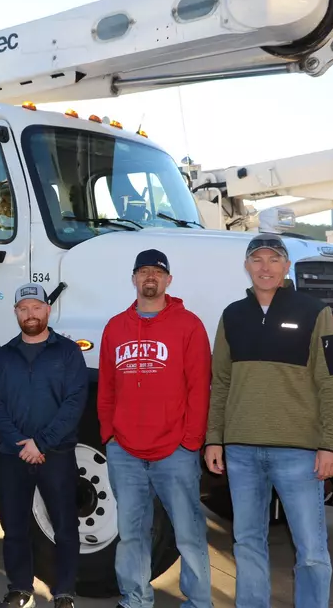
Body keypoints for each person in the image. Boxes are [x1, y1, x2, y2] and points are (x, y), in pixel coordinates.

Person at [204, 234, 333, 608]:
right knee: (247, 542)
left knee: (311, 548)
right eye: (257, 260)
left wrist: (332, 443)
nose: (265, 267)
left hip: (298, 452)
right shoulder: (232, 315)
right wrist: (214, 438)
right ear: (248, 266)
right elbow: (220, 382)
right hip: (241, 452)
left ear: (285, 267)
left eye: (273, 260)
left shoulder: (315, 312)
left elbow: (331, 381)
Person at [97, 249, 213, 608]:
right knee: (131, 533)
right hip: (126, 452)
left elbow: (200, 387)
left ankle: (198, 601)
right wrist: (109, 437)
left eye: (157, 272)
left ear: (168, 280)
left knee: (189, 532)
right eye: (143, 271)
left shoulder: (188, 325)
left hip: (174, 452)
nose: (150, 277)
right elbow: (106, 389)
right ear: (133, 279)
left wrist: (190, 441)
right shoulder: (115, 327)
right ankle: (135, 599)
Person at [0, 283, 88, 608]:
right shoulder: (4, 356)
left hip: (55, 454)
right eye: (23, 308)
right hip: (12, 457)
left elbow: (74, 403)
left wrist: (40, 442)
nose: (30, 314)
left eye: (36, 307)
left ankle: (64, 593)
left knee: (65, 528)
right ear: (16, 313)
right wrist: (20, 444)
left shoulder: (68, 352)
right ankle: (20, 590)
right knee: (14, 527)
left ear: (47, 310)